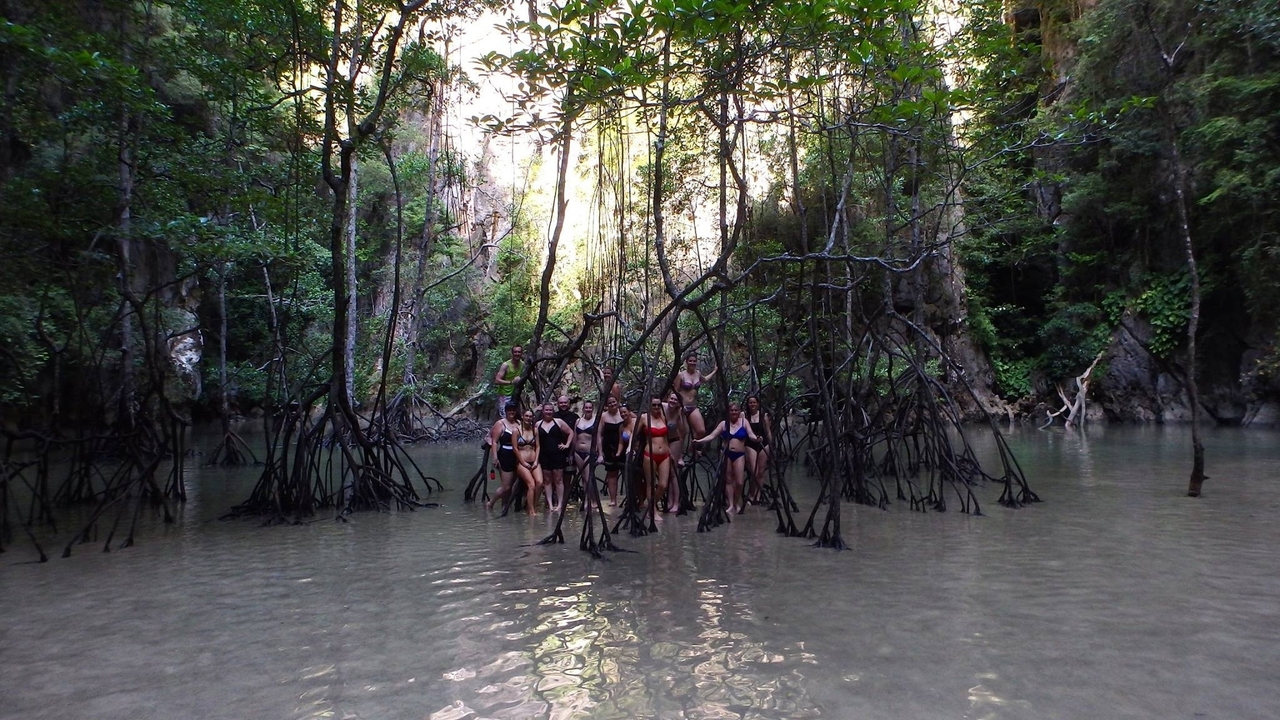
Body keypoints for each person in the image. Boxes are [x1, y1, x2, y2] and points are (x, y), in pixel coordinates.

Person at [693, 402, 759, 515]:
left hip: (739, 455)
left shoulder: (744, 422)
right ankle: (731, 504)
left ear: (739, 412)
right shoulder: (724, 424)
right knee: (728, 480)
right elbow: (712, 436)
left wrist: (756, 439)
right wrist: (699, 441)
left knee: (739, 482)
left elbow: (751, 434)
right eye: (731, 410)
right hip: (726, 454)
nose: (734, 412)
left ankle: (737, 502)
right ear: (728, 412)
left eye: (736, 410)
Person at [638, 396, 676, 513]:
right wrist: (630, 447)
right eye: (654, 405)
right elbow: (635, 435)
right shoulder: (644, 418)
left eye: (658, 405)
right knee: (650, 484)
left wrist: (670, 453)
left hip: (664, 455)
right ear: (649, 405)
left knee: (663, 485)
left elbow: (665, 438)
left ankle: (651, 505)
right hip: (650, 455)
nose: (656, 407)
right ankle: (653, 511)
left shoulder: (663, 417)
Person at [537, 401, 573, 514]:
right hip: (544, 455)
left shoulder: (558, 422)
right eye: (546, 410)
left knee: (558, 480)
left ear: (553, 411)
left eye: (550, 410)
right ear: (543, 411)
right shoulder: (538, 424)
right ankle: (550, 504)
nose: (548, 412)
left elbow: (571, 432)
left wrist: (566, 445)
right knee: (547, 481)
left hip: (558, 455)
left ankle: (560, 504)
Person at [673, 353, 717, 446]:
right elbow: (675, 391)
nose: (692, 363)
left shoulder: (698, 373)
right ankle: (679, 456)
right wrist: (677, 406)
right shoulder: (681, 375)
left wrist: (714, 371)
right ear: (686, 362)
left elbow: (704, 380)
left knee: (701, 431)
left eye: (694, 361)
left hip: (693, 406)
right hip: (682, 407)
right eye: (690, 361)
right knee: (683, 433)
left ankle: (692, 449)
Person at [485, 403, 521, 512]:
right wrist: (495, 457)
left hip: (517, 455)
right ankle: (490, 503)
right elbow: (494, 441)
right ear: (506, 411)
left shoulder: (519, 423)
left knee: (511, 486)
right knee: (506, 487)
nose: (512, 412)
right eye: (509, 410)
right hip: (505, 455)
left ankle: (504, 507)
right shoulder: (500, 423)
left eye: (513, 410)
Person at [596, 395, 624, 506]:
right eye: (610, 403)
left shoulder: (624, 413)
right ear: (606, 406)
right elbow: (599, 436)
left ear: (617, 402)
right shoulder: (603, 416)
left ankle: (633, 498)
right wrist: (600, 453)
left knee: (629, 472)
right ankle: (613, 500)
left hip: (624, 447)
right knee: (612, 474)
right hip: (609, 448)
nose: (612, 404)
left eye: (614, 402)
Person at [744, 395, 773, 503]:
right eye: (750, 403)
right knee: (754, 472)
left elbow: (768, 431)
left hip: (763, 444)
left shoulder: (763, 416)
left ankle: (758, 495)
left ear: (758, 404)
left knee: (761, 471)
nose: (752, 405)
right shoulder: (745, 416)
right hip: (750, 444)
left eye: (754, 402)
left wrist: (770, 445)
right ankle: (751, 494)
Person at [664, 392, 689, 508]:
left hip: (674, 441)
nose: (673, 401)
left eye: (675, 400)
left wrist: (683, 416)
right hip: (663, 441)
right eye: (671, 399)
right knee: (667, 473)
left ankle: (676, 502)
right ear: (668, 398)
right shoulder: (661, 407)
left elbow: (684, 431)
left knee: (673, 472)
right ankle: (669, 501)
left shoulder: (679, 412)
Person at [516, 408, 543, 514]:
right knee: (531, 484)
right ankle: (531, 512)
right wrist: (523, 462)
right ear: (522, 417)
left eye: (530, 416)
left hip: (534, 461)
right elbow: (515, 448)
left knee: (540, 483)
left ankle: (532, 506)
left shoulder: (535, 430)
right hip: (521, 463)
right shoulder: (516, 430)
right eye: (526, 416)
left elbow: (538, 446)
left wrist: (536, 461)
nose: (528, 418)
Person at [572, 400, 599, 506]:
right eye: (586, 407)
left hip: (589, 452)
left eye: (590, 408)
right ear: (583, 409)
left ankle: (594, 501)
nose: (588, 409)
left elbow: (599, 438)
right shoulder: (578, 421)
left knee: (588, 478)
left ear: (592, 409)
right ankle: (586, 500)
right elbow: (575, 437)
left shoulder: (595, 421)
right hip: (578, 452)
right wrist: (571, 453)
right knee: (583, 477)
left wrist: (600, 453)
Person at [493, 345, 525, 418]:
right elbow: (497, 380)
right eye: (515, 352)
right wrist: (511, 382)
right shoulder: (506, 365)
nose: (517, 354)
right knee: (505, 417)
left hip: (516, 393)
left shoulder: (522, 364)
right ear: (512, 353)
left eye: (519, 352)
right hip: (505, 394)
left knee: (515, 416)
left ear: (522, 353)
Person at [553, 394, 579, 474]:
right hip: (555, 451)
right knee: (557, 477)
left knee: (568, 474)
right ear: (557, 404)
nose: (563, 404)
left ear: (568, 404)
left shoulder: (575, 417)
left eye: (565, 402)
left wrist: (572, 453)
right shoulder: (553, 416)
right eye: (561, 403)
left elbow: (576, 435)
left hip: (570, 451)